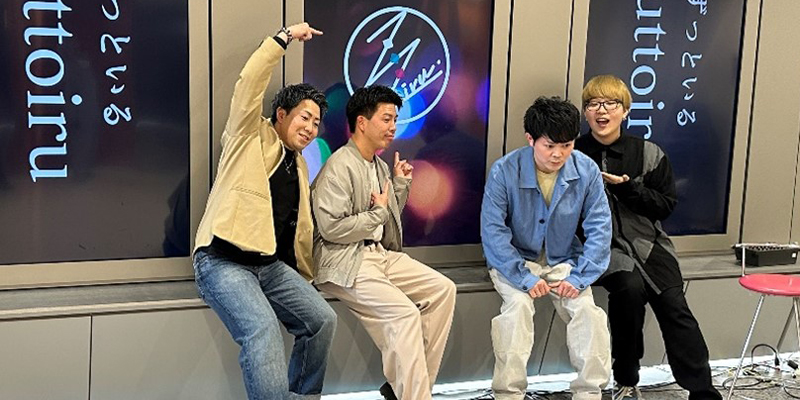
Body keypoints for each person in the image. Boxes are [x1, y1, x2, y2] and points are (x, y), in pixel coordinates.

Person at [192, 22, 337, 400]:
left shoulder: (300, 164)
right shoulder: (248, 136)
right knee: (263, 330)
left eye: (316, 123)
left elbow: (299, 230)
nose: (311, 128)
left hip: (269, 267)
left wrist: (305, 278)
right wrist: (283, 38)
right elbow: (249, 84)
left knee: (322, 320)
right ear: (281, 115)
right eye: (304, 117)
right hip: (222, 260)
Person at [575, 75, 722, 400]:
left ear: (625, 110)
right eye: (593, 104)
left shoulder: (648, 152)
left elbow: (665, 206)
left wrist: (628, 189)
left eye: (610, 103)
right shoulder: (573, 154)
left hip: (650, 245)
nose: (602, 110)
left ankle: (703, 392)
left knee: (674, 305)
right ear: (585, 112)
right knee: (628, 289)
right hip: (600, 249)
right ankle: (626, 379)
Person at [311, 85, 457, 400]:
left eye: (395, 120)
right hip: (345, 259)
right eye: (387, 119)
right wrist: (377, 213)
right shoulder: (338, 166)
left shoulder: (378, 165)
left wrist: (400, 185)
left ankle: (405, 390)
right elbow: (332, 229)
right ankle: (413, 394)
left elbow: (384, 218)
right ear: (362, 122)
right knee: (405, 315)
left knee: (443, 290)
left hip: (379, 255)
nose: (393, 127)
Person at [481, 96, 612, 400]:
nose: (558, 154)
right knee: (517, 310)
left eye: (566, 145)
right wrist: (523, 278)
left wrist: (580, 278)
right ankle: (508, 394)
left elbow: (600, 228)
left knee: (588, 314)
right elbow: (493, 232)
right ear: (531, 139)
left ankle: (589, 393)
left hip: (564, 260)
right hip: (515, 261)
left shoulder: (587, 170)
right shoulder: (504, 171)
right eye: (549, 145)